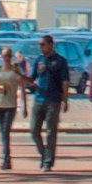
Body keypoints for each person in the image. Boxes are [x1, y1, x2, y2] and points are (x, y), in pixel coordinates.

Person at [30, 39, 72, 171]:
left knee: (51, 132)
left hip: (53, 100)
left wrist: (65, 100)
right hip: (39, 99)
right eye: (40, 45)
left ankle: (48, 162)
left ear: (50, 45)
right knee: (34, 130)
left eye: (43, 44)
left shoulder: (60, 60)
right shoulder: (39, 60)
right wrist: (19, 75)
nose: (41, 47)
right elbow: (31, 79)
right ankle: (44, 155)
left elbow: (65, 81)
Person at [0, 47, 30, 169]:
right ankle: (6, 157)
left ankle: (5, 158)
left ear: (10, 56)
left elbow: (22, 86)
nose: (5, 58)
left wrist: (25, 107)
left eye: (7, 56)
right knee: (3, 132)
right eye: (3, 56)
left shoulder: (15, 69)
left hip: (11, 104)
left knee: (6, 131)